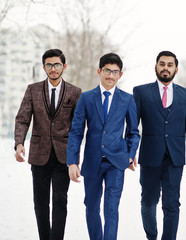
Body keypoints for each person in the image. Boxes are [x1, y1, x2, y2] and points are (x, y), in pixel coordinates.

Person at [66, 53, 140, 240]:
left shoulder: (127, 99)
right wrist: (72, 161)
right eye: (107, 70)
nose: (110, 75)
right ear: (99, 71)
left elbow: (133, 132)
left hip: (117, 161)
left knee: (111, 208)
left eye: (115, 72)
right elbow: (76, 132)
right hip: (93, 161)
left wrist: (130, 154)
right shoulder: (86, 98)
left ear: (120, 75)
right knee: (91, 206)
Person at [14, 49, 82, 240]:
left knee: (60, 200)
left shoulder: (75, 92)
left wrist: (75, 158)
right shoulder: (33, 90)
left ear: (64, 66)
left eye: (57, 64)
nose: (53, 69)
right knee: (41, 202)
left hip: (64, 156)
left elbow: (78, 127)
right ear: (44, 67)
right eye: (49, 65)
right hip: (39, 154)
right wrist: (19, 143)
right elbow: (22, 119)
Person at [133, 51, 186, 240]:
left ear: (176, 69)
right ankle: (151, 236)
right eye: (162, 64)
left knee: (172, 204)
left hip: (174, 158)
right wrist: (130, 152)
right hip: (150, 157)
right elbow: (133, 126)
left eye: (170, 65)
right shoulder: (141, 92)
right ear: (156, 67)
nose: (165, 68)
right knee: (148, 203)